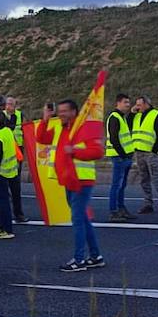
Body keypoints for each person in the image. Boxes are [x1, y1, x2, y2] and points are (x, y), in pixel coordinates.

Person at [37, 99, 105, 272]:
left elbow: (98, 151)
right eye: (59, 111)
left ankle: (79, 259)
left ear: (74, 112)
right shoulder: (60, 127)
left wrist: (74, 151)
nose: (61, 114)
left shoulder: (83, 128)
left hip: (81, 180)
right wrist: (45, 118)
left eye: (64, 111)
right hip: (68, 179)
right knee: (82, 219)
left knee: (78, 219)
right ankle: (96, 256)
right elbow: (42, 138)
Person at [131, 97, 158, 215]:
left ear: (146, 104)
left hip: (150, 153)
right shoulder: (137, 115)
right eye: (136, 105)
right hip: (138, 151)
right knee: (144, 179)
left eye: (139, 105)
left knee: (156, 178)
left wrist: (154, 150)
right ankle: (148, 203)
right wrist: (131, 113)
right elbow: (128, 125)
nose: (137, 107)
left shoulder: (156, 115)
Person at [0, 110, 18, 240]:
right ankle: (1, 227)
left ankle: (6, 229)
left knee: (2, 202)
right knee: (2, 201)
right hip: (10, 171)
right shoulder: (8, 131)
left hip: (0, 172)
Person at [106, 94, 136, 222]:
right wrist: (123, 154)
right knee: (116, 185)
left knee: (121, 185)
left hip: (125, 156)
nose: (128, 105)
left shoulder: (121, 117)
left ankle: (121, 208)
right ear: (118, 103)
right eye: (125, 102)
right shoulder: (115, 117)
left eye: (128, 102)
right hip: (119, 157)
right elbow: (114, 139)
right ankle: (113, 211)